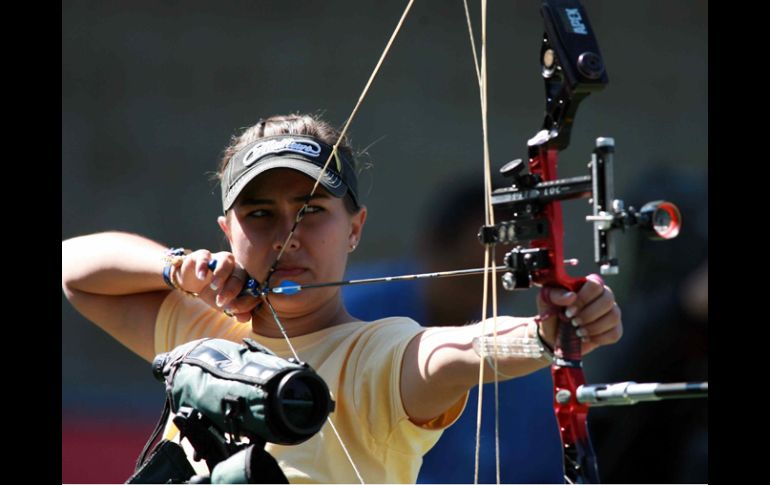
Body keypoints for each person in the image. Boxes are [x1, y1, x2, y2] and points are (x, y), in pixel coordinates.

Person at [61, 113, 623, 483]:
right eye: (260, 215)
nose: (288, 236)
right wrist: (175, 268)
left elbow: (452, 353)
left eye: (311, 211)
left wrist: (547, 333)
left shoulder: (373, 356)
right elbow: (74, 270)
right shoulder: (204, 331)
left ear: (355, 228)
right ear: (226, 231)